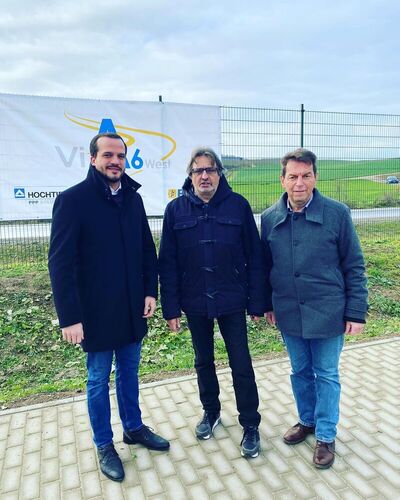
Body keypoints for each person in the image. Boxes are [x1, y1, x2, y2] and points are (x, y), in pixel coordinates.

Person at [48, 132, 169, 482]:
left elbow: (146, 249)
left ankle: (133, 427)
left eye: (120, 155)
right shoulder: (73, 201)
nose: (115, 161)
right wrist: (69, 317)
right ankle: (104, 444)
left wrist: (150, 292)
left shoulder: (132, 198)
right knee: (98, 380)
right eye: (108, 155)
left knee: (129, 371)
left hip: (132, 308)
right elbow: (59, 263)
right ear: (93, 159)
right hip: (95, 313)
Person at [261, 148, 368, 469]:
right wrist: (267, 304)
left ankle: (325, 435)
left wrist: (356, 311)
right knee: (300, 372)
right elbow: (265, 267)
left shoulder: (337, 214)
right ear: (282, 179)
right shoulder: (269, 218)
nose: (300, 183)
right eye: (293, 176)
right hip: (289, 312)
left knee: (327, 374)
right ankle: (306, 420)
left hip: (329, 312)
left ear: (315, 177)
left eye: (306, 175)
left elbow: (354, 265)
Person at [159, 147, 266, 458]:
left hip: (232, 298)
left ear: (220, 174)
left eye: (210, 170)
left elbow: (255, 256)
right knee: (202, 361)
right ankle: (211, 411)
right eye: (198, 170)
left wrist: (256, 302)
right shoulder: (175, 210)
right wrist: (171, 307)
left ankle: (250, 423)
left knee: (241, 363)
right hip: (194, 300)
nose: (204, 176)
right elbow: (167, 262)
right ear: (190, 176)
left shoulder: (238, 206)